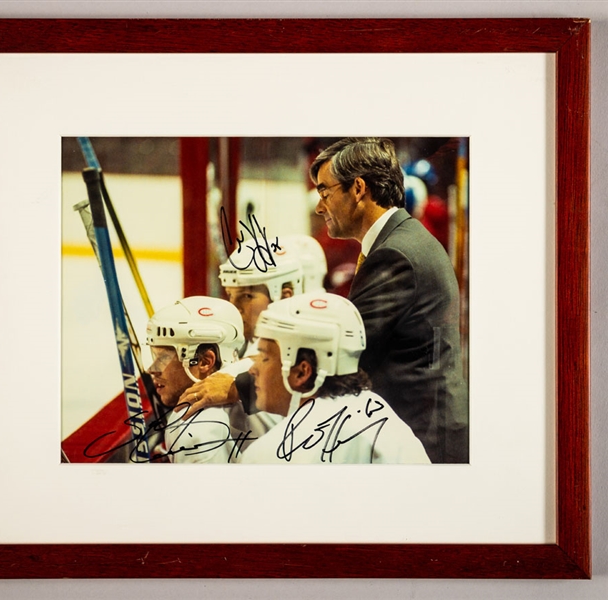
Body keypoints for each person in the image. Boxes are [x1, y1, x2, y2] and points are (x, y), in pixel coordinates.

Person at [309, 137, 468, 463]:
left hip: (425, 442)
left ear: (357, 189)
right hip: (426, 431)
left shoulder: (395, 253)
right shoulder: (401, 239)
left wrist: (246, 385)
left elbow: (343, 348)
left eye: (324, 192)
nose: (319, 206)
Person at [240, 292, 430, 464]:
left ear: (301, 372)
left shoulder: (267, 456)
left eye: (264, 357)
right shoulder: (387, 419)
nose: (253, 369)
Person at [176, 240, 304, 419]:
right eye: (230, 294)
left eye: (246, 296)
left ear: (284, 297)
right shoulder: (253, 345)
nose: (233, 307)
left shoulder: (283, 362)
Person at [145, 296, 257, 463]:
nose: (151, 369)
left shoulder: (195, 429)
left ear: (205, 362)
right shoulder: (253, 370)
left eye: (163, 358)